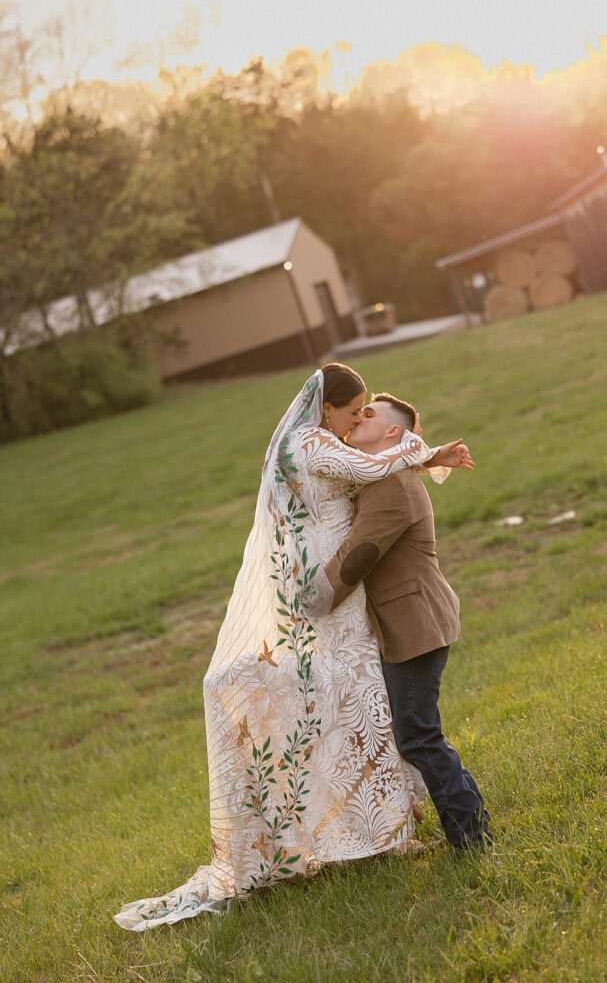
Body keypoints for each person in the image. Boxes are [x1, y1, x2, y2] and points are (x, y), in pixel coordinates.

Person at [115, 364, 472, 931]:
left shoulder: (359, 462)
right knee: (370, 718)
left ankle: (425, 832)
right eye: (355, 410)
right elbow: (368, 465)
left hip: (375, 610)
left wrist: (420, 453)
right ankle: (352, 832)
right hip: (331, 599)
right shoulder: (316, 444)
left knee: (398, 726)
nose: (358, 419)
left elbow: (371, 483)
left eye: (366, 414)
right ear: (325, 409)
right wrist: (425, 455)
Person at [321, 392, 492, 850]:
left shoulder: (391, 488)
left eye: (369, 415)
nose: (358, 418)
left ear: (393, 433)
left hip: (416, 626)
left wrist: (307, 600)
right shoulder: (382, 475)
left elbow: (356, 560)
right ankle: (468, 827)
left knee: (418, 736)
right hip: (408, 623)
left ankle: (473, 839)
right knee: (416, 733)